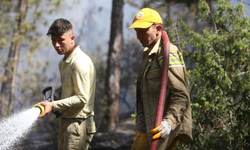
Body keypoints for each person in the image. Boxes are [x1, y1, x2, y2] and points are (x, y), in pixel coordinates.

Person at [128, 8, 192, 150]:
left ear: (158, 29)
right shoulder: (149, 53)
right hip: (146, 128)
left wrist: (168, 123)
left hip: (159, 131)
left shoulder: (168, 53)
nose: (138, 36)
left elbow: (181, 94)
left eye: (143, 30)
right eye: (136, 31)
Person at [38, 18, 96, 150]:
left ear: (72, 38)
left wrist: (53, 104)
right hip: (67, 122)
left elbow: (82, 98)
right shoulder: (64, 62)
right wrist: (56, 95)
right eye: (53, 40)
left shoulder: (79, 63)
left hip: (78, 125)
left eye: (61, 40)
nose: (57, 45)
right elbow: (70, 89)